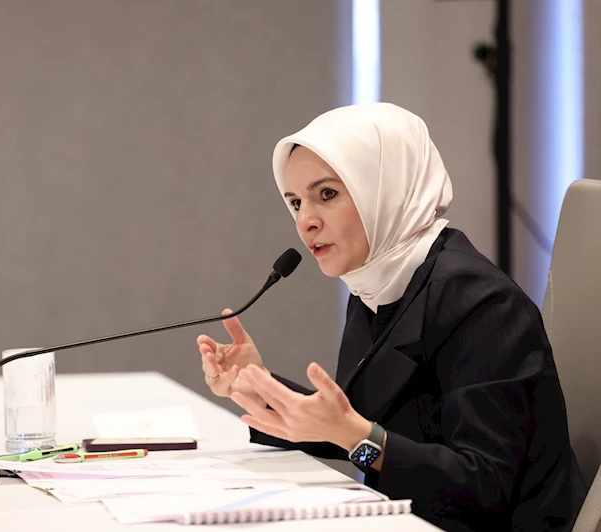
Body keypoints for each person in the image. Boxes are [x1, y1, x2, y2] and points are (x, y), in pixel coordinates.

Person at [197, 102, 587, 532]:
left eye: (327, 194)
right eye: (295, 202)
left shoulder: (479, 300)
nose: (304, 221)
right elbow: (359, 424)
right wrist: (259, 386)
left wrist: (356, 436)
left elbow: (485, 488)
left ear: (384, 187)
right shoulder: (376, 282)